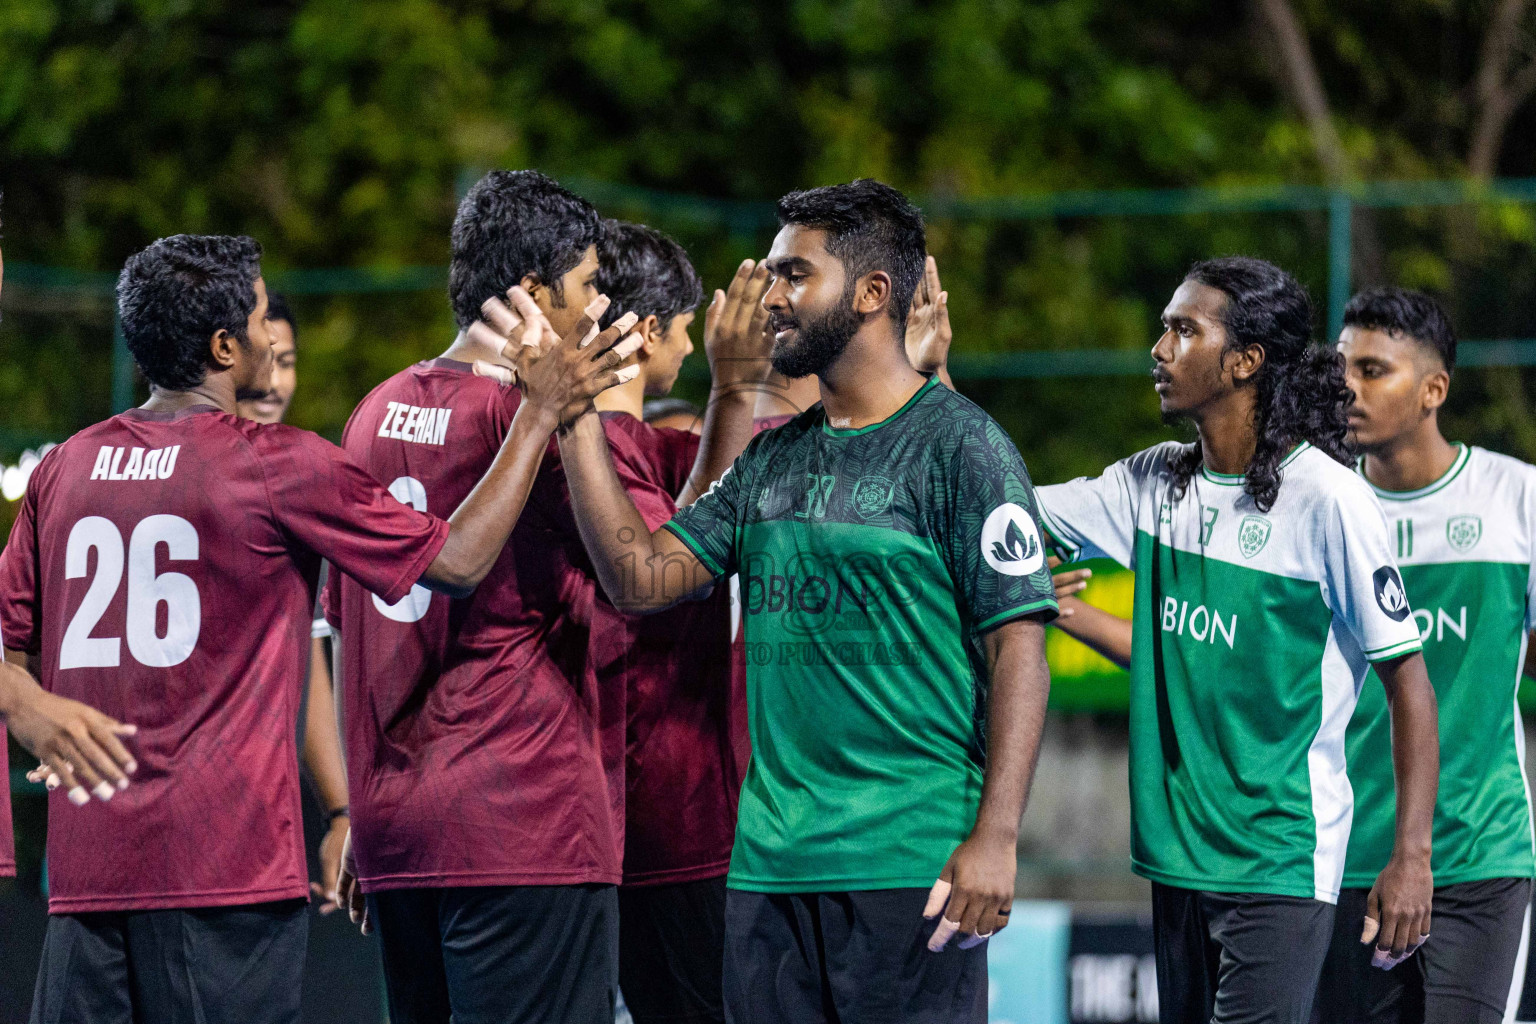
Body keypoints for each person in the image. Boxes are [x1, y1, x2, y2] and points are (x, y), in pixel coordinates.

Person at [0, 231, 637, 1024]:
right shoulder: (276, 463)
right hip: (221, 871)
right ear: (226, 345)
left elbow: (8, 642)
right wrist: (539, 413)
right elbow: (461, 560)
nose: (276, 336)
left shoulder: (64, 469)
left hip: (86, 876)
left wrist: (24, 703)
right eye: (265, 318)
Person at [558, 179, 1057, 1023]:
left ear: (871, 294)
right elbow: (640, 579)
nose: (774, 297)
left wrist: (997, 836)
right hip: (770, 872)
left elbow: (1020, 647)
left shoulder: (962, 445)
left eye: (797, 275)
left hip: (909, 864)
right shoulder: (769, 461)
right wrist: (569, 415)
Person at [324, 173, 768, 1024]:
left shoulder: (372, 412)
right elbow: (656, 575)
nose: (601, 306)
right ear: (534, 293)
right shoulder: (543, 421)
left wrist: (367, 810)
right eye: (591, 283)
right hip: (522, 825)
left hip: (399, 826)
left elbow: (348, 626)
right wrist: (735, 394)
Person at [1035, 257, 1439, 1024]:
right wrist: (932, 378)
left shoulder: (1328, 499)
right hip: (1176, 859)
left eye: (1184, 330)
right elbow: (1000, 507)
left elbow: (1410, 687)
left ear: (1246, 361)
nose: (1158, 349)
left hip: (1277, 862)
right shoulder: (1154, 483)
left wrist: (1410, 857)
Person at [1310, 288, 1536, 1024]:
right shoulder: (1321, 509)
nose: (1347, 386)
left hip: (1478, 858)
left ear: (1434, 388)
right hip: (1347, 860)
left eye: (1373, 370)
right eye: (1341, 366)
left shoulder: (1516, 500)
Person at [589, 220, 769, 1024]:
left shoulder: (647, 450)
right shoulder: (597, 452)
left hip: (633, 826)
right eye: (688, 328)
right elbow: (669, 569)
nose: (695, 348)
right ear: (650, 329)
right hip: (671, 822)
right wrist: (734, 390)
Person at [234, 292, 351, 915]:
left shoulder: (293, 477)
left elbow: (302, 649)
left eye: (289, 362)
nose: (274, 382)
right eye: (264, 358)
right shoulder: (270, 475)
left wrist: (340, 809)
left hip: (253, 822)